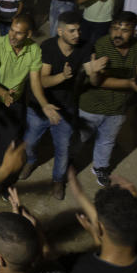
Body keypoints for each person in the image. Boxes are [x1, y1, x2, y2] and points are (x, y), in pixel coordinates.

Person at [22, 11, 107, 199]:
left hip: (66, 107)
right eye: (72, 31)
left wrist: (94, 72)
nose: (77, 34)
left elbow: (93, 80)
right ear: (60, 31)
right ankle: (31, 160)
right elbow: (42, 81)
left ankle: (58, 180)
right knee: (29, 142)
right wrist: (63, 76)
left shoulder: (85, 47)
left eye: (78, 30)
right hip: (39, 107)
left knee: (63, 148)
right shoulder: (48, 47)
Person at [78, 12, 137, 187]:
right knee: (80, 137)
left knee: (107, 140)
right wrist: (128, 84)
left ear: (133, 32)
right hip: (92, 106)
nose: (118, 34)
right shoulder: (102, 45)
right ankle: (67, 165)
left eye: (125, 30)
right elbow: (99, 82)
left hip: (118, 107)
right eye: (115, 28)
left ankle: (100, 167)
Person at [0, 15, 53, 184]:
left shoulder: (34, 50)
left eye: (18, 33)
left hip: (14, 102)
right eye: (12, 30)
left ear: (28, 34)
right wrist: (4, 94)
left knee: (8, 144)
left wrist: (44, 104)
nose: (12, 35)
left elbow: (35, 82)